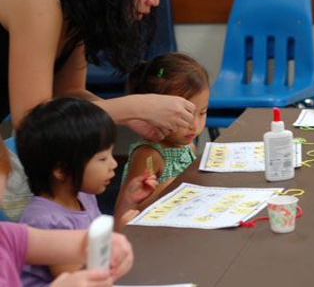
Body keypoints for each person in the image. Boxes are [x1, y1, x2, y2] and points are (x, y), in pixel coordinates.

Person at [0, 0, 195, 219]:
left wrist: (128, 116)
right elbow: (32, 122)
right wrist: (136, 106)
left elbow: (69, 95)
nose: (155, 0)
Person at [16, 97, 155, 287]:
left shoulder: (83, 195)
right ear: (62, 170)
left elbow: (102, 241)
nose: (114, 164)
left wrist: (129, 200)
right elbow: (86, 279)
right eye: (102, 158)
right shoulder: (44, 221)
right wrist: (122, 231)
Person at [0, 137, 134, 287]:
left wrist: (114, 239)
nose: (114, 163)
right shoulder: (42, 218)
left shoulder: (7, 235)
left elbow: (77, 243)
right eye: (102, 158)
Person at [117, 52, 209, 210]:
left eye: (202, 113)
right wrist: (164, 191)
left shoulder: (187, 145)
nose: (194, 125)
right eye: (184, 115)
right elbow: (127, 209)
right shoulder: (150, 154)